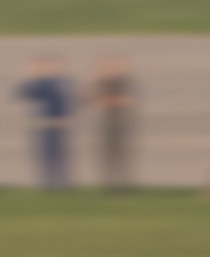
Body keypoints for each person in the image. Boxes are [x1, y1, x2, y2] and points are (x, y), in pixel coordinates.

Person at [16, 57, 76, 191]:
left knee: (60, 154)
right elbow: (20, 94)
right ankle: (47, 183)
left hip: (58, 123)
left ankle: (62, 182)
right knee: (45, 154)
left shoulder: (64, 83)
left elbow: (70, 101)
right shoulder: (36, 84)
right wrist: (29, 76)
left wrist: (68, 117)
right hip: (41, 123)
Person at [89, 57, 136, 189]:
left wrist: (106, 100)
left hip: (120, 123)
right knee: (106, 155)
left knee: (121, 154)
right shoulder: (102, 83)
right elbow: (92, 99)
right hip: (106, 123)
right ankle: (109, 184)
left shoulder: (123, 82)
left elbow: (126, 101)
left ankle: (124, 184)